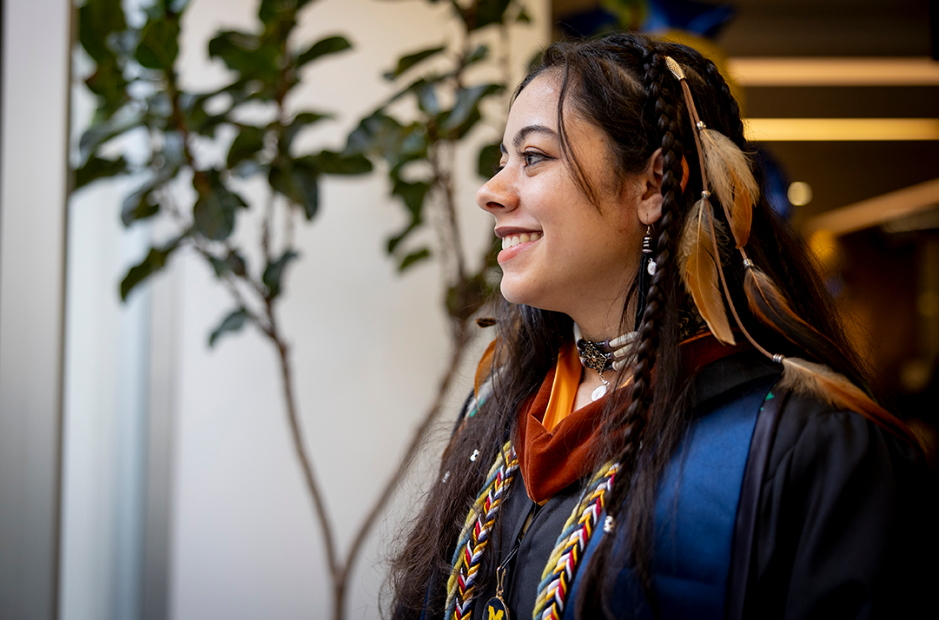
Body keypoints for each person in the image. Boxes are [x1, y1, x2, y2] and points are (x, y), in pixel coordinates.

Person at [389, 33, 937, 620]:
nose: (491, 192)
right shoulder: (501, 408)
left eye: (535, 157)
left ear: (653, 186)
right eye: (503, 160)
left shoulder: (813, 448)